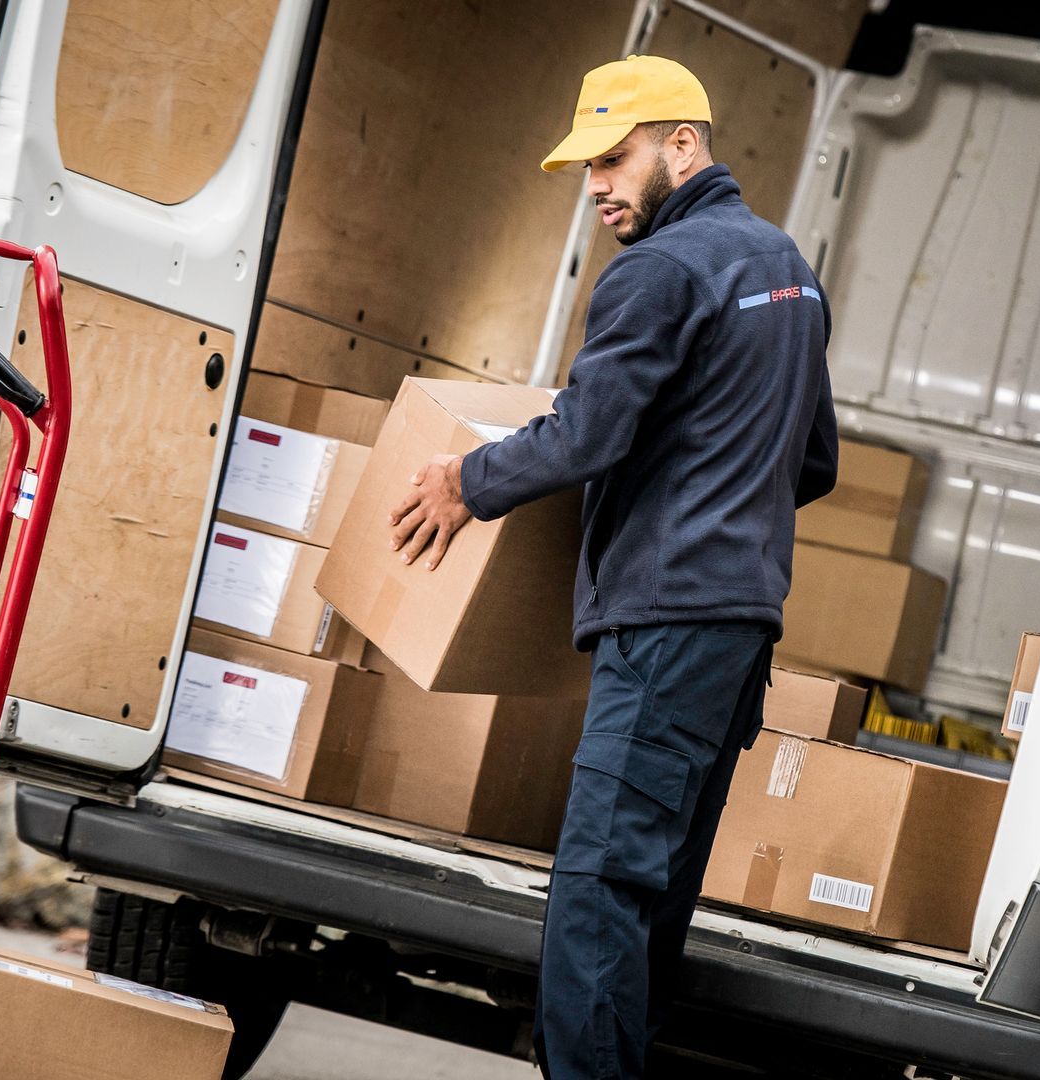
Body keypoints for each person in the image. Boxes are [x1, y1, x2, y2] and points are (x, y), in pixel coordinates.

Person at [385, 54, 837, 1079]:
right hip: (737, 630)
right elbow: (811, 463)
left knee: (596, 894)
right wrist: (722, 508)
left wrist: (467, 482)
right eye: (586, 164)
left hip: (667, 626)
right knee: (650, 898)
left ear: (684, 144)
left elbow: (589, 434)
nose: (595, 184)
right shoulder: (785, 269)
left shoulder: (656, 272)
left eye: (614, 157)